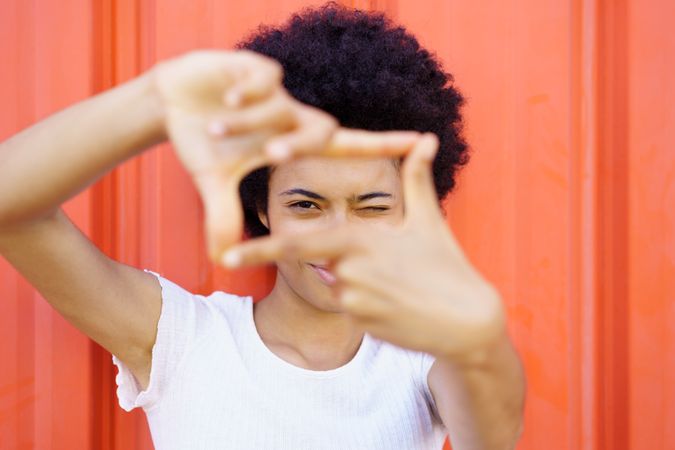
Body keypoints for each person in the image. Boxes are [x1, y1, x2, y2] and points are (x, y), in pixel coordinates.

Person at [0, 3, 525, 449]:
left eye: (371, 207)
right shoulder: (184, 340)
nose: (338, 238)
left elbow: (493, 434)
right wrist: (155, 103)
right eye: (306, 205)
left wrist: (481, 342)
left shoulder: (428, 354)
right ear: (261, 207)